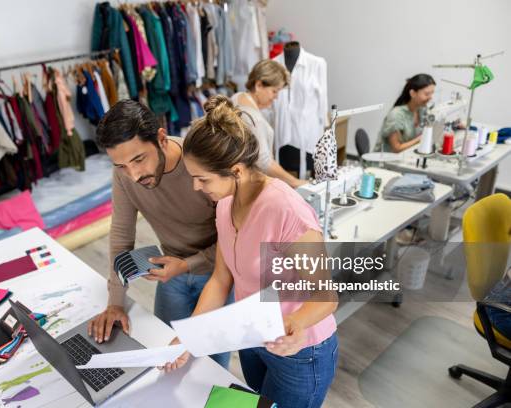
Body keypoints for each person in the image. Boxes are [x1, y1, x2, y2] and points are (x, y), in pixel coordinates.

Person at [164, 96, 339, 408]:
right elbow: (220, 280)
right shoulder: (225, 205)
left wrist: (297, 323)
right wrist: (189, 336)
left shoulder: (285, 210)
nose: (196, 187)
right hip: (251, 337)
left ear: (235, 170)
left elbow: (326, 295)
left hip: (300, 350)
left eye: (202, 179)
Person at [88, 100, 229, 368]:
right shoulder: (124, 175)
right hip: (172, 275)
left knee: (210, 368)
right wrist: (115, 303)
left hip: (220, 273)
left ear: (161, 139)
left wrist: (189, 264)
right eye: (122, 166)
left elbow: (234, 238)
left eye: (139, 159)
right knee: (167, 357)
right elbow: (121, 235)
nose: (134, 174)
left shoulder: (200, 164)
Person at [231, 60, 306, 188]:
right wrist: (296, 182)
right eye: (274, 91)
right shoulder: (254, 119)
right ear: (259, 85)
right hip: (248, 184)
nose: (276, 97)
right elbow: (264, 162)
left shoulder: (237, 97)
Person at [376, 73, 436, 153]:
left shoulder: (421, 110)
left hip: (406, 155)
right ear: (413, 93)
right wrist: (422, 138)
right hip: (385, 161)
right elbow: (396, 149)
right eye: (426, 94)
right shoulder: (396, 115)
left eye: (432, 93)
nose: (430, 98)